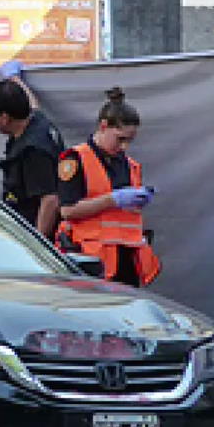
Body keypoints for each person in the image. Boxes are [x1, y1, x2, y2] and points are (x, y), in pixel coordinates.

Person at [54, 87, 160, 287]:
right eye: (120, 139)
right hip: (90, 261)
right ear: (103, 126)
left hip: (127, 260)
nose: (124, 146)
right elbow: (67, 211)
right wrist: (113, 199)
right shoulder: (75, 159)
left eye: (129, 141)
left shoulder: (130, 165)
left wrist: (139, 199)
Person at [0, 61, 65, 237]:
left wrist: (38, 245)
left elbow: (50, 199)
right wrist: (14, 79)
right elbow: (32, 104)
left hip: (31, 227)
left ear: (4, 118)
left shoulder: (33, 150)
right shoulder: (36, 121)